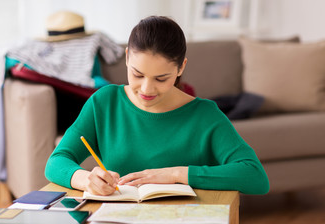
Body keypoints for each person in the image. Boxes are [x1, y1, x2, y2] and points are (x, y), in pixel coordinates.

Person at [45, 16, 269, 196]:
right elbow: (56, 162)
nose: (146, 89)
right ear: (126, 58)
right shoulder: (104, 102)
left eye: (161, 78)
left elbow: (255, 177)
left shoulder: (205, 115)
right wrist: (86, 179)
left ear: (181, 67)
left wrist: (176, 174)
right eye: (137, 74)